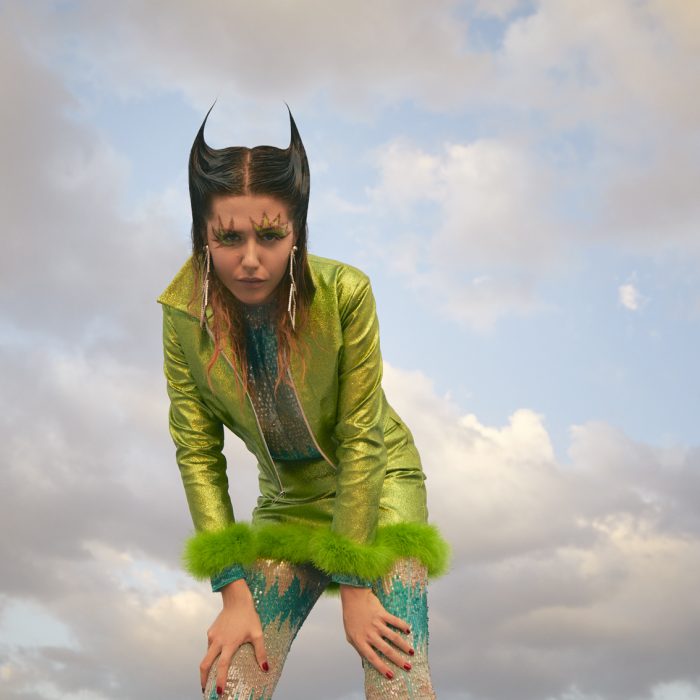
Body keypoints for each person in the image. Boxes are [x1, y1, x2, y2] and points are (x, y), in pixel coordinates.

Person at [157, 103, 450, 700]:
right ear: (202, 236)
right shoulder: (183, 316)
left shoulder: (346, 293)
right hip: (287, 502)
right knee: (232, 682)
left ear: (298, 233)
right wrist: (232, 591)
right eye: (229, 237)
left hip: (377, 489)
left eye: (271, 236)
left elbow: (362, 436)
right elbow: (197, 452)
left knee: (395, 676)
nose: (250, 258)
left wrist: (356, 583)